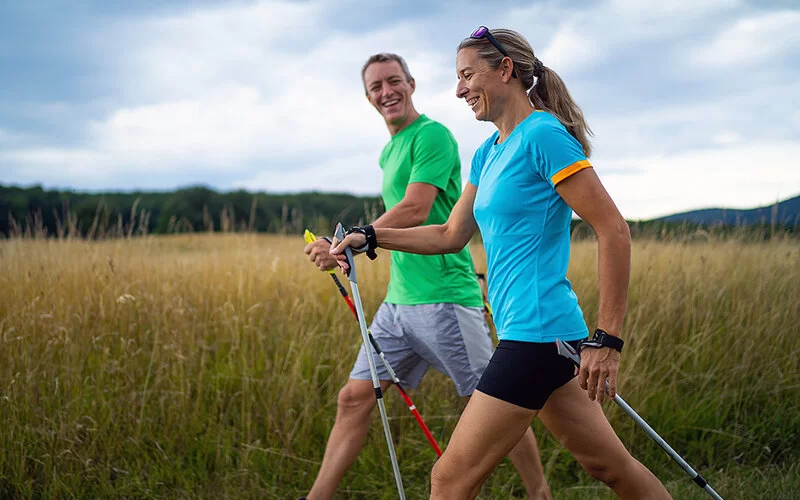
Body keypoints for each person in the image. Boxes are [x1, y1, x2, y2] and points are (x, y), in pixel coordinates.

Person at [331, 29, 673, 499]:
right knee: (609, 467)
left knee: (448, 479)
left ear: (506, 70)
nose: (458, 89)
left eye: (468, 75)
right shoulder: (488, 152)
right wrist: (371, 236)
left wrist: (607, 340)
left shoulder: (543, 134)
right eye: (457, 78)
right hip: (541, 338)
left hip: (537, 339)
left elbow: (613, 229)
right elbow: (451, 236)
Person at [301, 53, 551, 500]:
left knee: (495, 401)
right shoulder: (389, 150)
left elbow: (417, 208)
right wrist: (351, 240)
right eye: (376, 87)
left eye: (394, 81)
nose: (386, 92)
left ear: (411, 84)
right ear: (368, 97)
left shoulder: (431, 135)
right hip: (398, 305)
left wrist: (354, 238)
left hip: (446, 300)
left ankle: (540, 493)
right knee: (354, 398)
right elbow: (396, 217)